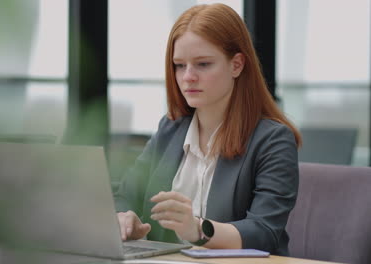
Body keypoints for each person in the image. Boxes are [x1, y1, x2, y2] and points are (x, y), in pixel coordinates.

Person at [113, 3, 302, 256]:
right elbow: (124, 195)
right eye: (179, 65)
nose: (188, 76)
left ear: (236, 65)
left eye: (202, 64)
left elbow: (263, 231)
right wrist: (126, 220)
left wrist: (198, 229)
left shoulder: (273, 140)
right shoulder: (170, 129)